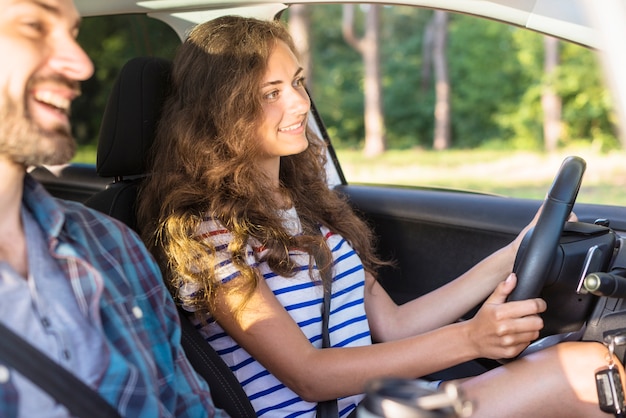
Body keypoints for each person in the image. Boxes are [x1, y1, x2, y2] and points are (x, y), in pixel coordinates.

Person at [137, 15, 624, 417]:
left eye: (298, 83)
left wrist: (515, 253)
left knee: (587, 365)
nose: (301, 103)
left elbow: (394, 325)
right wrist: (472, 339)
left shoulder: (306, 209)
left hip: (375, 405)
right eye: (272, 93)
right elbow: (308, 375)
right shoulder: (207, 234)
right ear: (220, 110)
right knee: (587, 372)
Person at [0, 0, 227, 416]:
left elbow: (190, 407)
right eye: (33, 25)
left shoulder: (113, 244)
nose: (82, 64)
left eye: (71, 34)